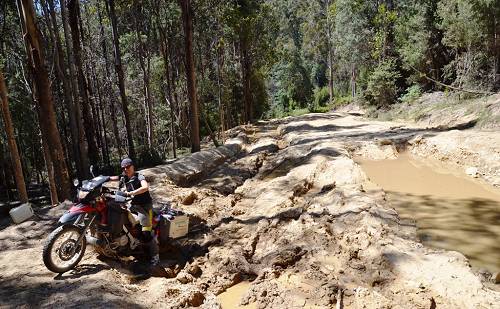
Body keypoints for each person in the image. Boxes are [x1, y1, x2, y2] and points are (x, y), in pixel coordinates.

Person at [110, 158, 159, 267]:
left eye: (128, 167)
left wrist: (131, 193)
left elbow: (145, 187)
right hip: (133, 206)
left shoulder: (139, 176)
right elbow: (112, 178)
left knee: (147, 232)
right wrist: (100, 179)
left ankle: (155, 256)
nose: (126, 169)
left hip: (145, 207)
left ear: (133, 166)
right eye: (124, 168)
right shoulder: (124, 176)